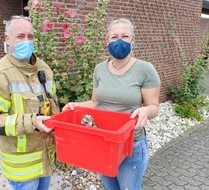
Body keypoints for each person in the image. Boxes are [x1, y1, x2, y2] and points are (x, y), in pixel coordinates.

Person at [62, 18, 161, 190]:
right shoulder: (99, 69)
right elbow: (95, 102)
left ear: (133, 40)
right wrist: (75, 105)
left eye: (125, 36)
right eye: (114, 37)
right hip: (104, 142)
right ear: (107, 41)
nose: (119, 41)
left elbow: (153, 107)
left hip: (131, 145)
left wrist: (146, 110)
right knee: (110, 187)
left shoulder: (145, 69)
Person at [0, 15, 59, 190]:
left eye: (30, 36)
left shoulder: (45, 69)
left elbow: (53, 107)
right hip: (22, 168)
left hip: (45, 158)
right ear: (7, 39)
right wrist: (32, 121)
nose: (27, 41)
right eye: (20, 36)